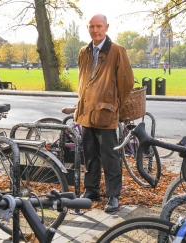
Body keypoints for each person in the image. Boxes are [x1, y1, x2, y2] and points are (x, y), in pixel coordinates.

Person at [73, 13, 134, 213]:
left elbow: (126, 83)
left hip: (106, 114)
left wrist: (114, 104)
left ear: (106, 27)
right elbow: (82, 80)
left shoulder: (117, 51)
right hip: (87, 112)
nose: (95, 30)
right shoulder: (84, 52)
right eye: (92, 26)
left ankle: (113, 196)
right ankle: (91, 190)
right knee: (89, 155)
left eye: (99, 26)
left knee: (110, 157)